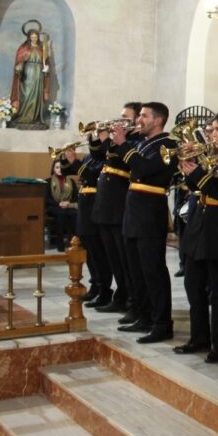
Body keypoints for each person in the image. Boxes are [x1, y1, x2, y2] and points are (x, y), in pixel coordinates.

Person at [174, 110, 218, 363]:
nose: (211, 134)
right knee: (193, 283)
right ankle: (199, 337)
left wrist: (197, 175)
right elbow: (199, 187)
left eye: (217, 130)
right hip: (201, 219)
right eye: (211, 129)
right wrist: (188, 170)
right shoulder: (212, 154)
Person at [110, 102, 178, 344]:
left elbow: (144, 167)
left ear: (158, 121)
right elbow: (124, 163)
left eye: (144, 115)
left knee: (153, 271)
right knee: (136, 269)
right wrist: (116, 141)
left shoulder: (168, 145)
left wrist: (123, 144)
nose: (139, 119)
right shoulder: (141, 142)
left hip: (150, 214)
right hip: (133, 212)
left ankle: (162, 323)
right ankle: (143, 314)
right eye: (139, 115)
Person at [92, 102, 143, 317]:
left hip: (120, 204)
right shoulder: (120, 140)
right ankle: (120, 295)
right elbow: (98, 157)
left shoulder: (136, 141)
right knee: (113, 258)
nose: (119, 121)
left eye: (125, 118)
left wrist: (111, 141)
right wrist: (96, 138)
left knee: (125, 261)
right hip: (106, 205)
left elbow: (125, 163)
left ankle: (131, 300)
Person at [60, 144, 113, 307]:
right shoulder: (88, 158)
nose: (91, 140)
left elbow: (90, 176)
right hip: (84, 206)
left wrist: (74, 161)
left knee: (98, 252)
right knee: (88, 251)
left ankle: (104, 289)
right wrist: (65, 158)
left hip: (95, 205)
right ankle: (95, 285)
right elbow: (65, 171)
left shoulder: (104, 158)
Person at [10, 26, 50, 125]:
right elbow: (19, 61)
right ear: (29, 37)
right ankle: (23, 115)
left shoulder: (42, 49)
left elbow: (46, 61)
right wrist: (19, 67)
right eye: (32, 37)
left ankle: (35, 118)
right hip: (27, 74)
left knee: (37, 96)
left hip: (38, 74)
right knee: (26, 95)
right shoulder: (24, 48)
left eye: (36, 37)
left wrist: (46, 68)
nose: (34, 38)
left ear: (38, 37)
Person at [46, 159, 78, 251]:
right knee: (61, 213)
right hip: (54, 206)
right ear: (53, 169)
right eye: (57, 167)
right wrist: (59, 203)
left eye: (61, 167)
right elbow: (47, 199)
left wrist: (68, 203)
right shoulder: (48, 182)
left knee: (75, 213)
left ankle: (74, 242)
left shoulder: (70, 181)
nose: (59, 169)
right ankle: (60, 244)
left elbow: (75, 197)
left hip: (68, 206)